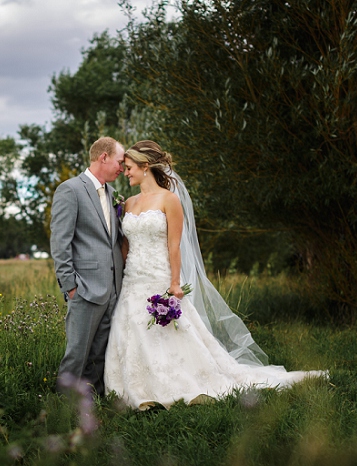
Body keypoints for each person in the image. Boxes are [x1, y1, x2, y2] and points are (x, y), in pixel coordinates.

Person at [104, 140, 325, 409]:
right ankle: (137, 389)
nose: (125, 173)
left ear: (145, 166)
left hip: (160, 277)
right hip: (132, 281)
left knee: (170, 334)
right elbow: (125, 246)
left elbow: (174, 245)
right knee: (132, 332)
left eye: (128, 168)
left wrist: (174, 283)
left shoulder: (169, 200)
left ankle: (183, 383)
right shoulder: (128, 203)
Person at [50, 136, 126, 396]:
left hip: (112, 288)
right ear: (103, 157)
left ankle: (91, 404)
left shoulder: (113, 194)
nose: (122, 167)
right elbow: (60, 242)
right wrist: (70, 286)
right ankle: (63, 408)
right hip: (84, 288)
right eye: (119, 161)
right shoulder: (70, 190)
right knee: (77, 354)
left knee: (100, 353)